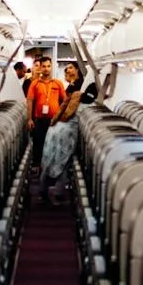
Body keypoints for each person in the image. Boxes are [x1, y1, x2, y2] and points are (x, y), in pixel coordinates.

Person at [41, 63, 89, 200]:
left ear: (78, 70)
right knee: (63, 160)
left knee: (53, 158)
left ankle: (47, 189)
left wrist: (56, 120)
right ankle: (57, 192)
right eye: (67, 68)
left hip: (61, 127)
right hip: (66, 129)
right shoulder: (76, 89)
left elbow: (66, 109)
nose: (67, 70)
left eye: (71, 67)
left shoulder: (76, 88)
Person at [23, 52, 66, 202]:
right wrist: (29, 119)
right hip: (40, 121)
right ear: (40, 68)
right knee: (40, 150)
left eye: (49, 66)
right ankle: (42, 186)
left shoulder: (58, 84)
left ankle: (51, 184)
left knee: (53, 153)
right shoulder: (35, 84)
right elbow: (29, 102)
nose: (47, 69)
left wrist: (62, 119)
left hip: (54, 122)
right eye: (44, 66)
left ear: (51, 67)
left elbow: (64, 102)